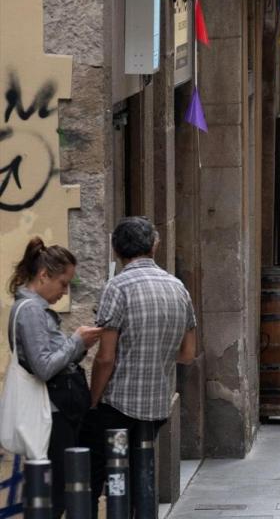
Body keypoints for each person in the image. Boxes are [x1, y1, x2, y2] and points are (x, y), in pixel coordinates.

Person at [85, 217, 197, 516]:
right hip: (157, 404)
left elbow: (105, 357)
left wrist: (93, 401)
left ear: (115, 250)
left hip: (117, 403)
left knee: (104, 474)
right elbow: (188, 353)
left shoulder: (117, 288)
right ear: (154, 246)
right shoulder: (178, 288)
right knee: (141, 472)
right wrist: (156, 353)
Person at [7, 238, 102, 518]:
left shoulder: (36, 309)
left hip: (58, 411)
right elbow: (44, 367)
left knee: (60, 491)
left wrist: (79, 345)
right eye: (63, 283)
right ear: (43, 275)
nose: (65, 291)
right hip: (52, 413)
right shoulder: (31, 311)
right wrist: (76, 341)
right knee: (57, 493)